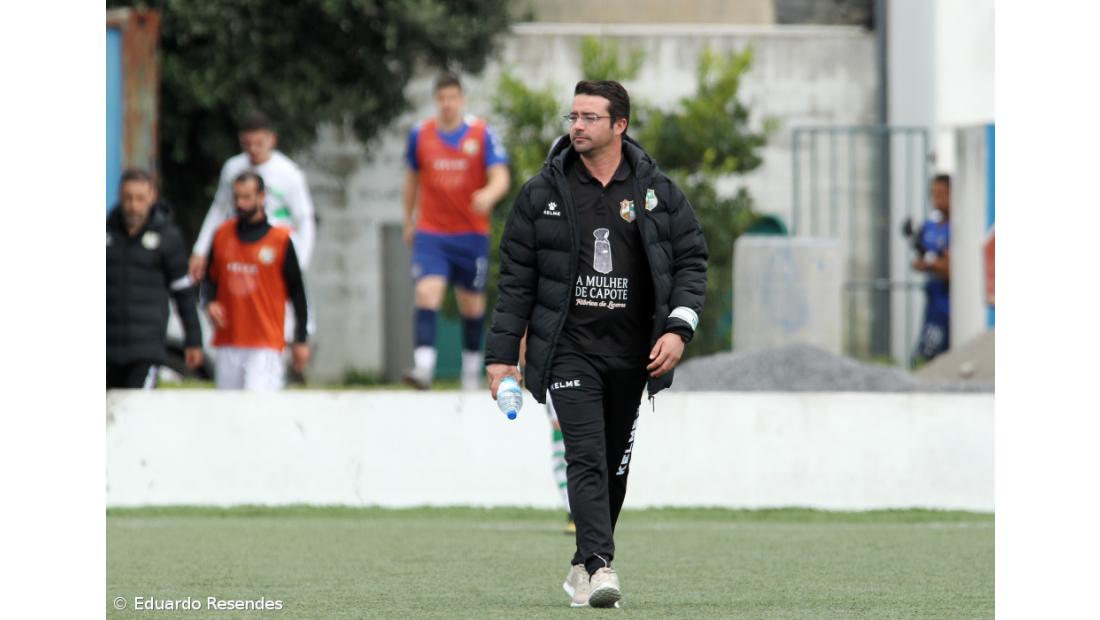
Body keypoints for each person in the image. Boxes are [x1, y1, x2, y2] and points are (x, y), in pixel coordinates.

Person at [485, 80, 708, 608]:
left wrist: (678, 329)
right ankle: (600, 566)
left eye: (589, 117)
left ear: (619, 125)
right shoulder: (540, 194)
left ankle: (582, 563)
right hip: (570, 350)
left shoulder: (657, 192)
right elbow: (516, 282)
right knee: (584, 456)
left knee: (613, 468)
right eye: (573, 116)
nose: (577, 126)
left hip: (633, 355)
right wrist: (501, 357)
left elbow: (691, 261)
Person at [402, 71, 510, 391]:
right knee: (427, 292)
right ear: (436, 100)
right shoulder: (421, 135)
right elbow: (411, 180)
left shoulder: (481, 133)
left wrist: (489, 194)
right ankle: (424, 368)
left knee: (471, 304)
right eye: (442, 98)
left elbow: (501, 176)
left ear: (462, 99)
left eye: (452, 98)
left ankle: (470, 373)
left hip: (471, 233)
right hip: (432, 232)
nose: (447, 104)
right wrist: (408, 219)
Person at [202, 172, 310, 391]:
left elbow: (298, 292)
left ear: (261, 197)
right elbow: (210, 279)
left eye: (247, 197)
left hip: (265, 342)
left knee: (258, 405)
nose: (240, 204)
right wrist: (210, 302)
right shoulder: (221, 235)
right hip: (229, 339)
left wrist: (301, 339)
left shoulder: (280, 240)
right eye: (237, 197)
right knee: (228, 406)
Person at [188, 112, 316, 282]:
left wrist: (300, 264)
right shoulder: (232, 168)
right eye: (247, 144)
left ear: (272, 140)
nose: (253, 149)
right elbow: (219, 208)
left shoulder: (289, 173)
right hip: (239, 250)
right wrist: (200, 250)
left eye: (259, 143)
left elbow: (304, 219)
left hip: (274, 254)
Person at [107, 169, 203, 388]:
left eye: (140, 198)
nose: (133, 205)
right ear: (120, 196)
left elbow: (183, 292)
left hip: (146, 348)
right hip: (107, 348)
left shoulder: (168, 237)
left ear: (152, 197)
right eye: (128, 198)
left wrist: (193, 340)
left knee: (138, 405)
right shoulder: (107, 233)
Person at [911, 174, 951, 362]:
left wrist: (934, 264)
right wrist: (926, 263)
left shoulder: (959, 227)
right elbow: (918, 261)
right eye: (933, 194)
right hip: (934, 303)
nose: (936, 199)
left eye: (941, 194)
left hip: (950, 303)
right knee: (927, 354)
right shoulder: (930, 226)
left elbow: (951, 270)